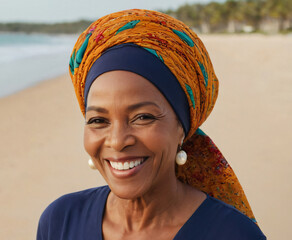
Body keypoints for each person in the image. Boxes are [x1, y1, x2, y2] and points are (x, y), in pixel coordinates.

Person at [37, 9, 266, 240]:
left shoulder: (234, 234)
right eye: (98, 120)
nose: (117, 141)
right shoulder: (60, 221)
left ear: (182, 128)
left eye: (143, 117)